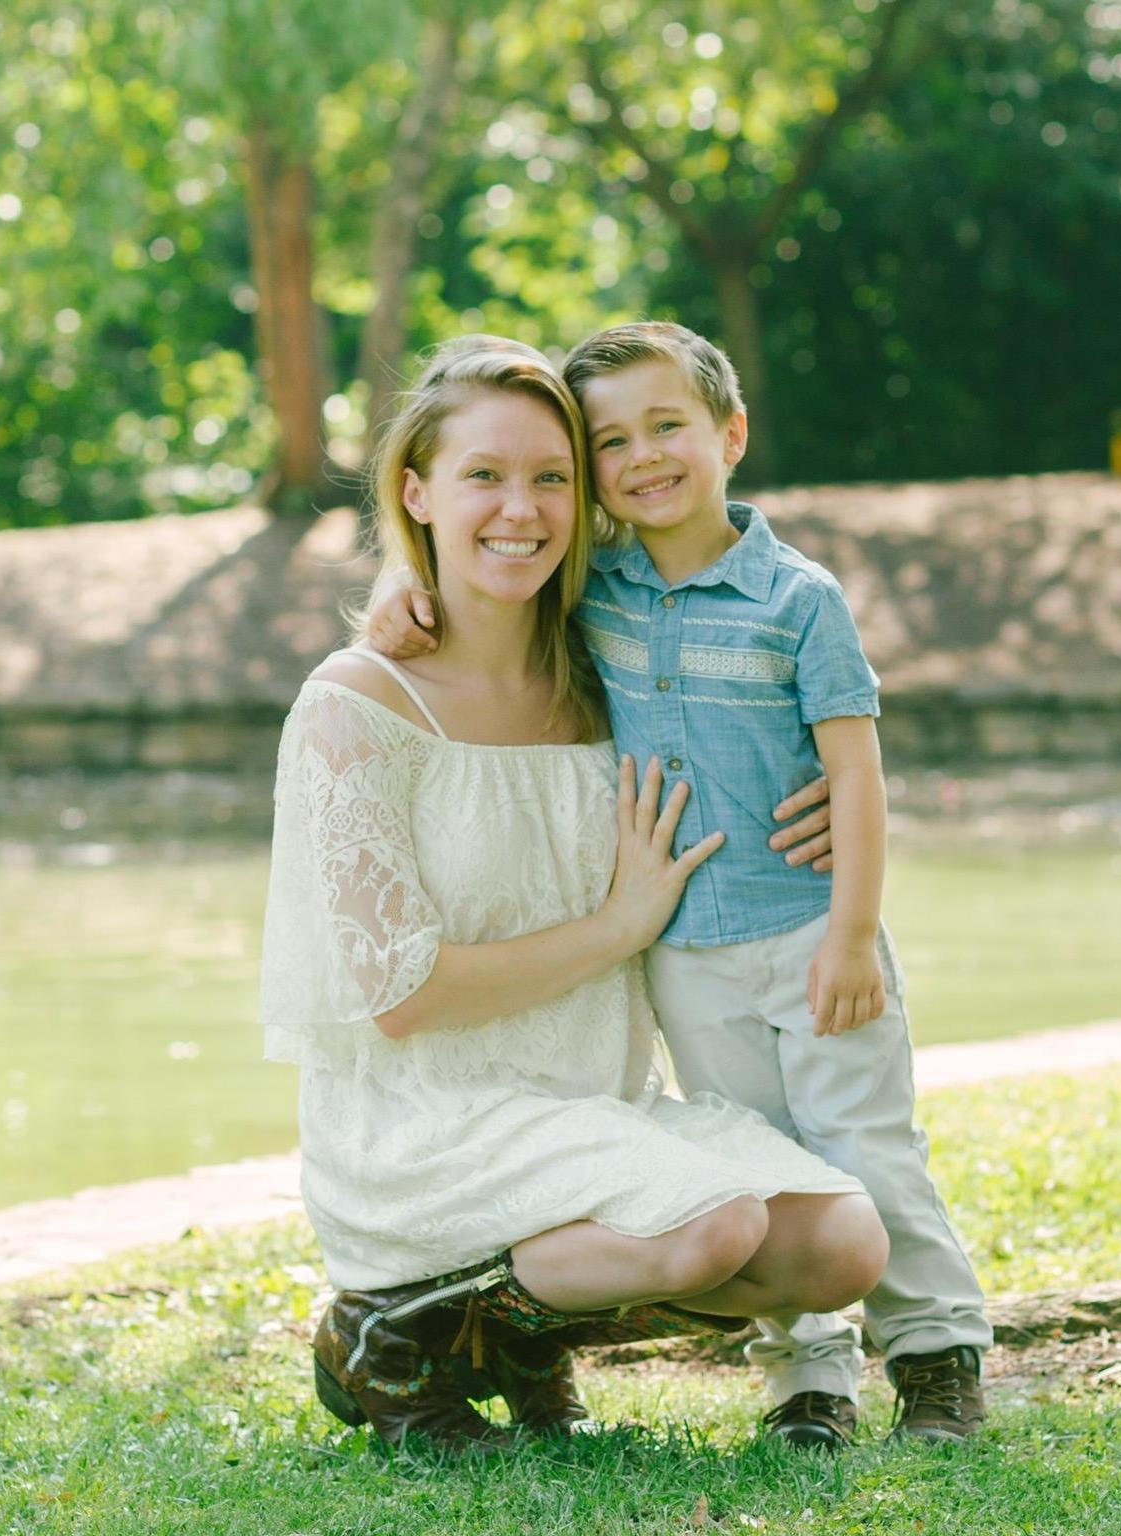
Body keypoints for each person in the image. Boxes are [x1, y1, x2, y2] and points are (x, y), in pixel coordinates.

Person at [259, 335, 889, 1455]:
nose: (522, 509)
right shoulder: (357, 706)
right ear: (416, 491)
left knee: (842, 1243)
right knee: (714, 1229)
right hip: (429, 1124)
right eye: (483, 478)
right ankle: (389, 1323)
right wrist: (618, 927)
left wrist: (829, 799)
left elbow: (775, 726)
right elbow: (399, 996)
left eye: (552, 477)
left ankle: (510, 1334)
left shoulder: (604, 669)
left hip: (594, 1103)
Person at [368, 322, 992, 1449]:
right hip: (685, 953)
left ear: (730, 434)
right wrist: (393, 600)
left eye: (669, 426)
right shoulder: (591, 592)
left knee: (868, 1149)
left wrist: (853, 932)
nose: (645, 455)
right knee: (760, 1151)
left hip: (811, 932)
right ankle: (808, 1385)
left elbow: (857, 772)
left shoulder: (798, 600)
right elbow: (477, 591)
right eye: (611, 441)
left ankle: (939, 1357)